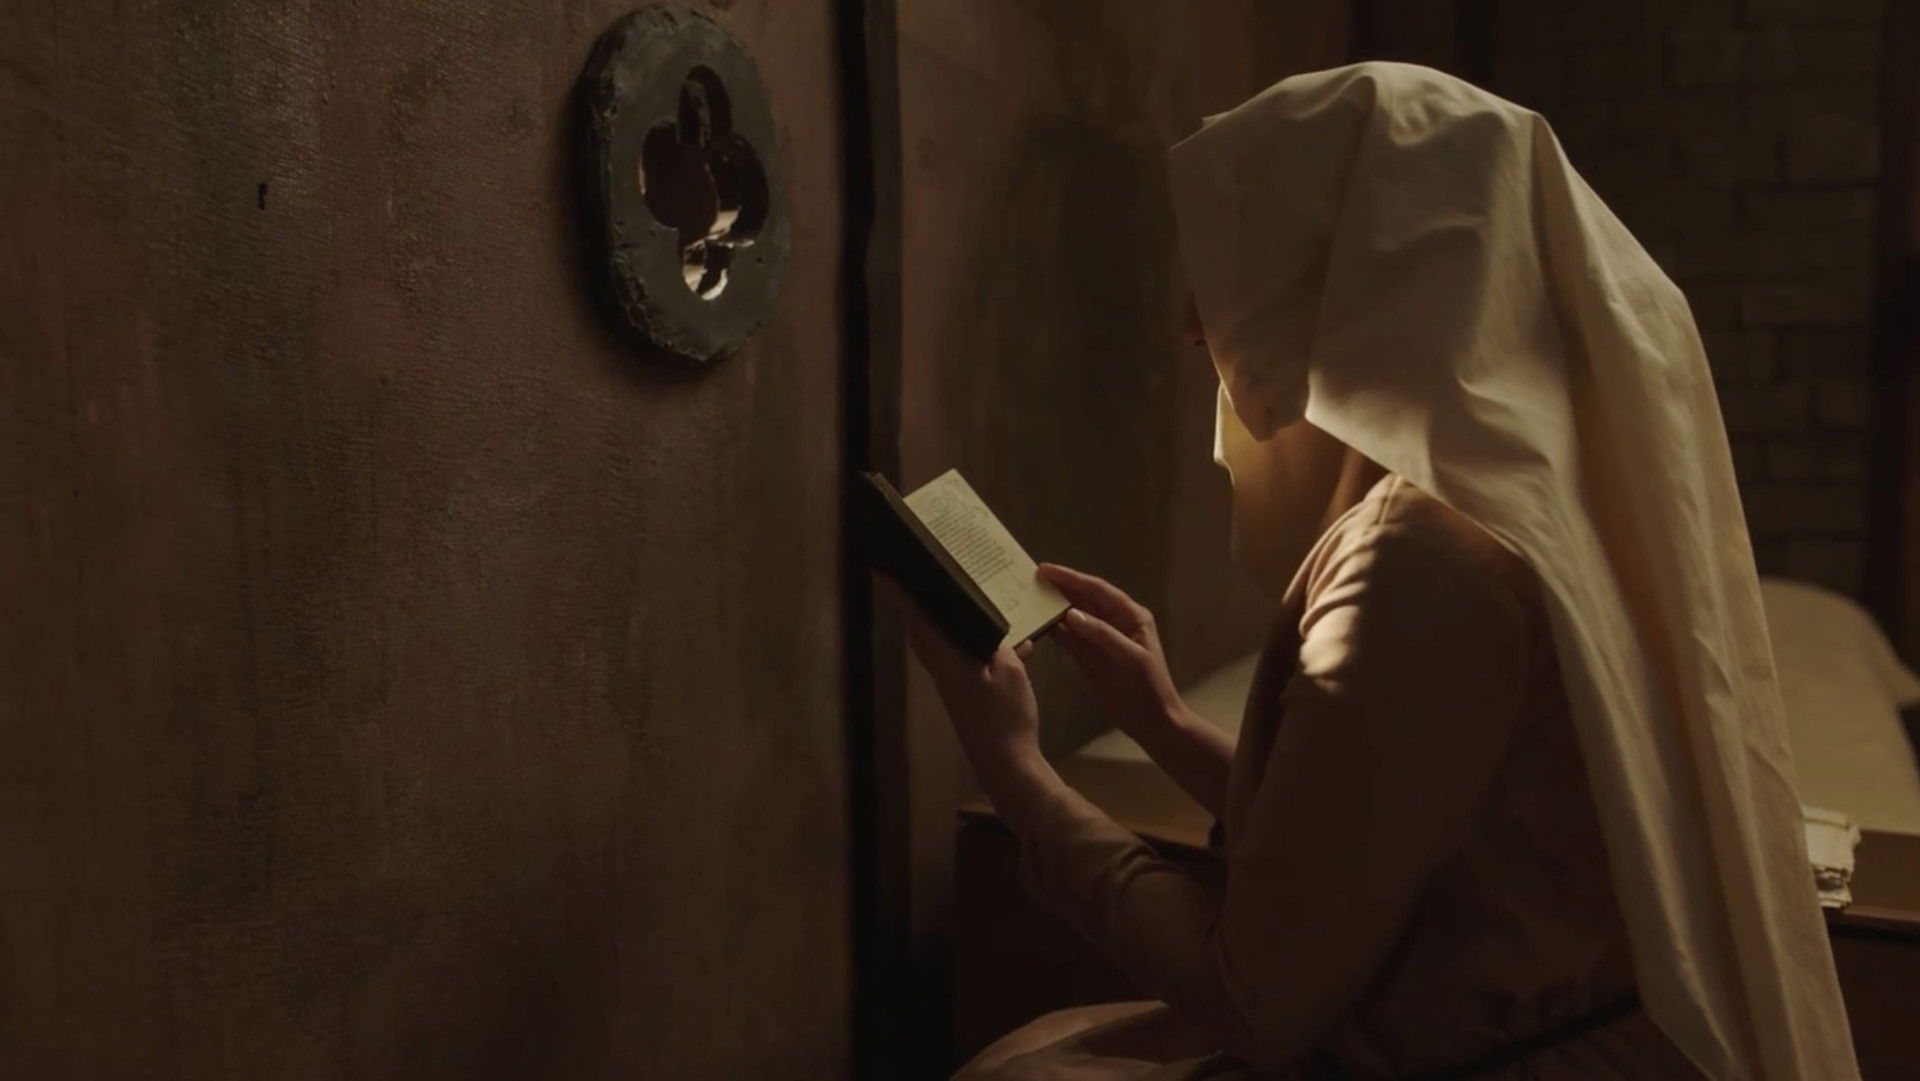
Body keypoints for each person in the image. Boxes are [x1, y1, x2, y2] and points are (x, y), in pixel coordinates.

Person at [894, 62, 1860, 1080]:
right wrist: (1165, 721)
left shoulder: (1422, 560)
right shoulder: (1544, 497)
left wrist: (1014, 769)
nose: (1191, 322)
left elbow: (1255, 998)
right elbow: (1378, 845)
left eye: (1237, 260)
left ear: (1350, 266)